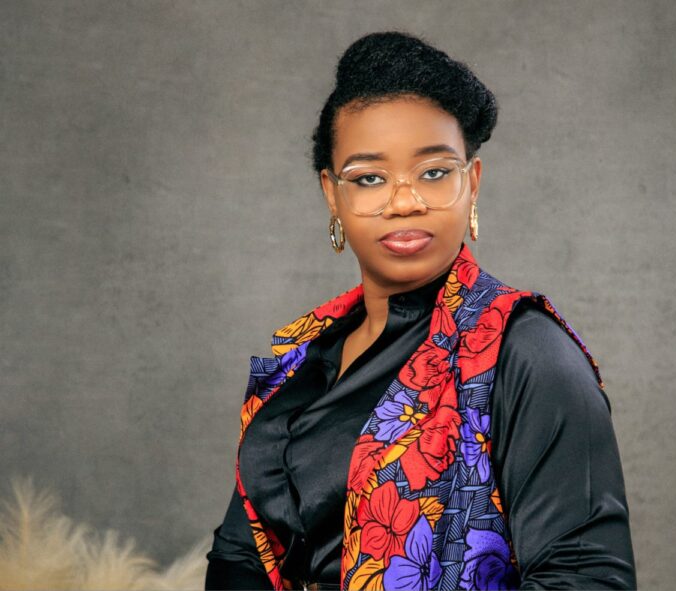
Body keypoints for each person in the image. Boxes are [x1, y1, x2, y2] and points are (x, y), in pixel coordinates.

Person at [205, 31, 636, 591]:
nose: (405, 201)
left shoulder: (524, 351)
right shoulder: (302, 359)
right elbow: (241, 554)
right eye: (369, 178)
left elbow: (584, 578)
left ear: (472, 183)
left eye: (434, 172)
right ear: (332, 195)